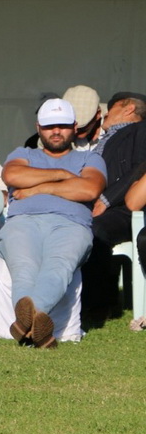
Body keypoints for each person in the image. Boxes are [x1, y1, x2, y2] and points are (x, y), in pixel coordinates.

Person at [0, 98, 106, 348]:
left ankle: (26, 323)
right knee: (24, 267)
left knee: (59, 265)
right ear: (38, 127)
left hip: (70, 224)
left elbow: (89, 189)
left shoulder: (91, 157)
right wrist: (63, 176)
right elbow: (12, 175)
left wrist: (38, 188)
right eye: (49, 126)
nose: (56, 131)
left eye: (62, 126)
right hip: (23, 221)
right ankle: (37, 327)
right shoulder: (23, 153)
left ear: (75, 126)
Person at [80, 91, 146, 323]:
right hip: (94, 203)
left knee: (94, 230)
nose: (107, 111)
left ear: (129, 109)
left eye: (114, 106)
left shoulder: (140, 130)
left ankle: (97, 304)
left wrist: (106, 200)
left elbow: (140, 168)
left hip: (124, 208)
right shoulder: (100, 138)